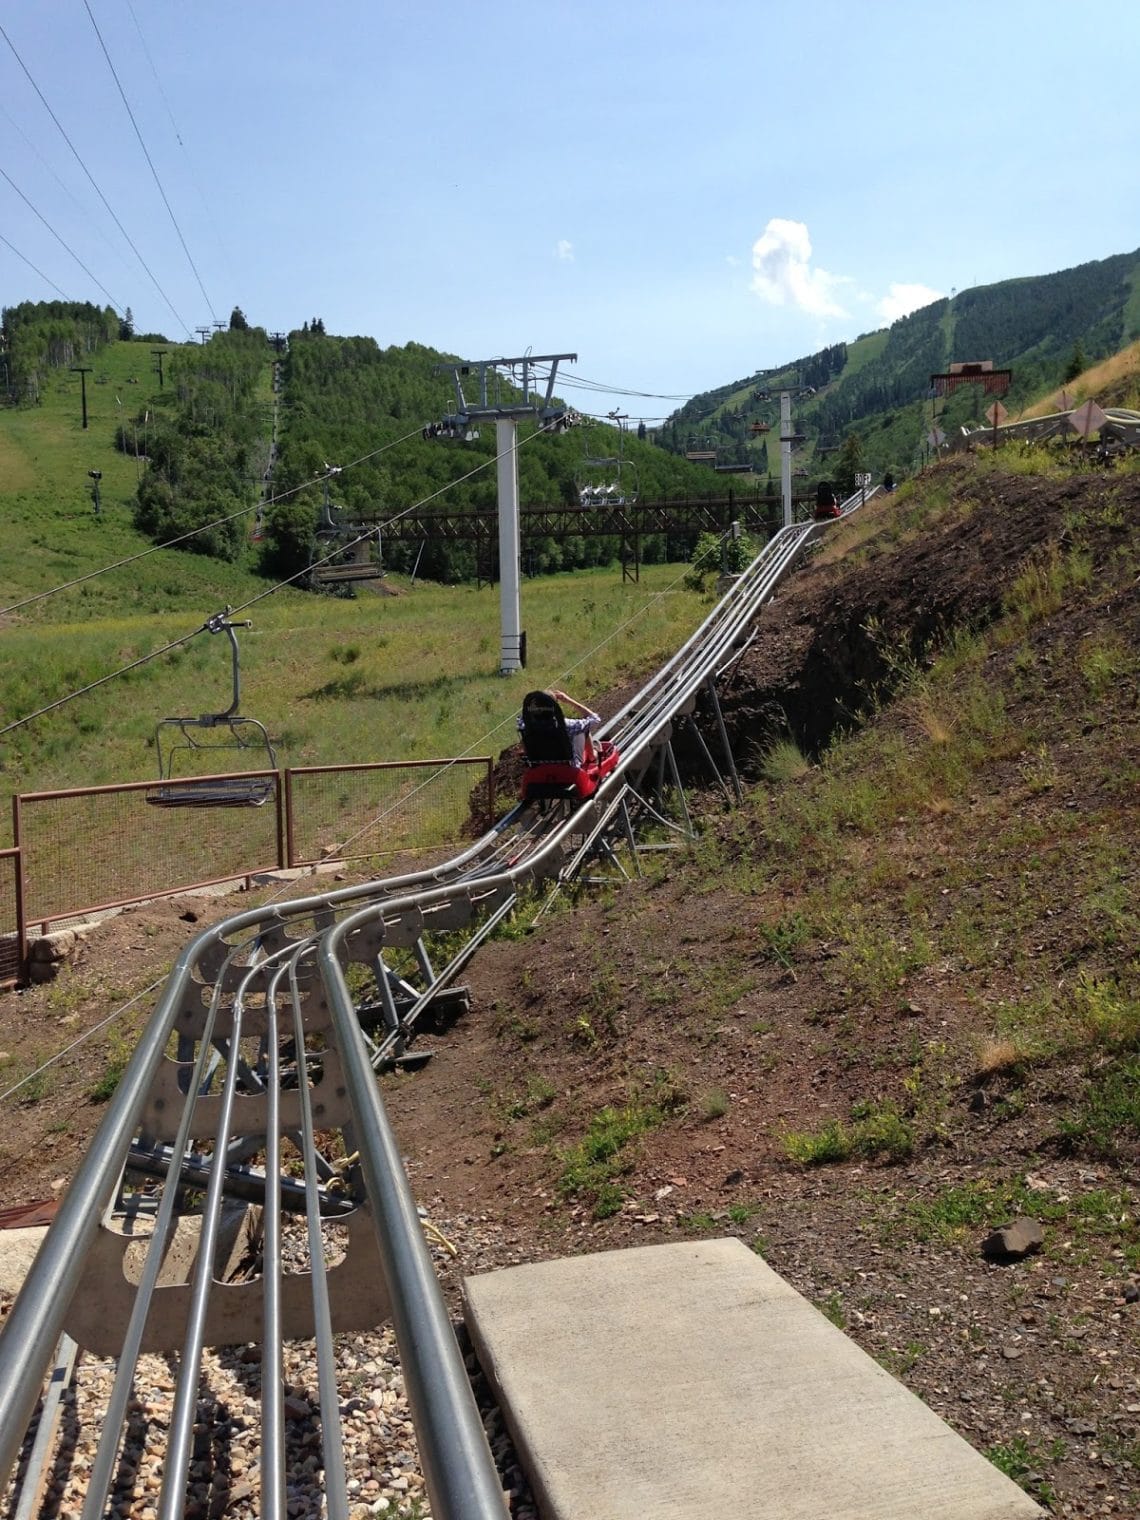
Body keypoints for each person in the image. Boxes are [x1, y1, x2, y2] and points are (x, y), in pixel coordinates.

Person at [518, 688, 601, 767]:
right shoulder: (567, 725)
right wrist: (569, 700)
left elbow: (524, 716)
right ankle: (592, 756)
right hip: (568, 767)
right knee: (584, 729)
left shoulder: (524, 725)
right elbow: (595, 720)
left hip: (539, 766)